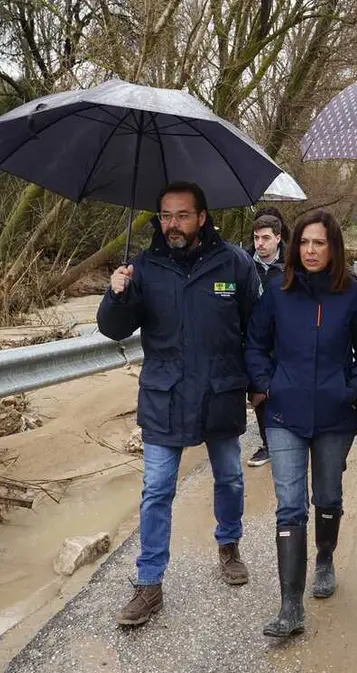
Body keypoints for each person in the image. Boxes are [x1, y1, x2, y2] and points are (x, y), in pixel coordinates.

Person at [98, 181, 261, 627]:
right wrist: (115, 293)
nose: (172, 224)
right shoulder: (144, 268)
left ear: (202, 218)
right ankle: (149, 583)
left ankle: (229, 545)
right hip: (165, 395)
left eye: (182, 215)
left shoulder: (235, 262)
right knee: (156, 491)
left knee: (229, 478)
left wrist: (258, 382)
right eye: (166, 216)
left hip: (220, 391)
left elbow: (257, 328)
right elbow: (113, 329)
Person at [245, 210, 357, 637]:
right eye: (304, 243)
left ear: (333, 248)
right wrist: (267, 384)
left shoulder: (355, 297)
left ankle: (324, 557)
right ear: (293, 246)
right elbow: (255, 343)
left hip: (335, 417)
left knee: (327, 494)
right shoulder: (277, 293)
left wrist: (349, 389)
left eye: (319, 243)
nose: (310, 251)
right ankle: (290, 607)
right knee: (289, 505)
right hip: (284, 415)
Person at [247, 212, 288, 468]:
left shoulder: (290, 266)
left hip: (284, 339)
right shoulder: (243, 264)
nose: (259, 243)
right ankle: (268, 444)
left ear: (278, 238)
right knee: (258, 394)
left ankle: (290, 438)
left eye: (265, 238)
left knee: (283, 392)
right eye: (256, 238)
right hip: (254, 340)